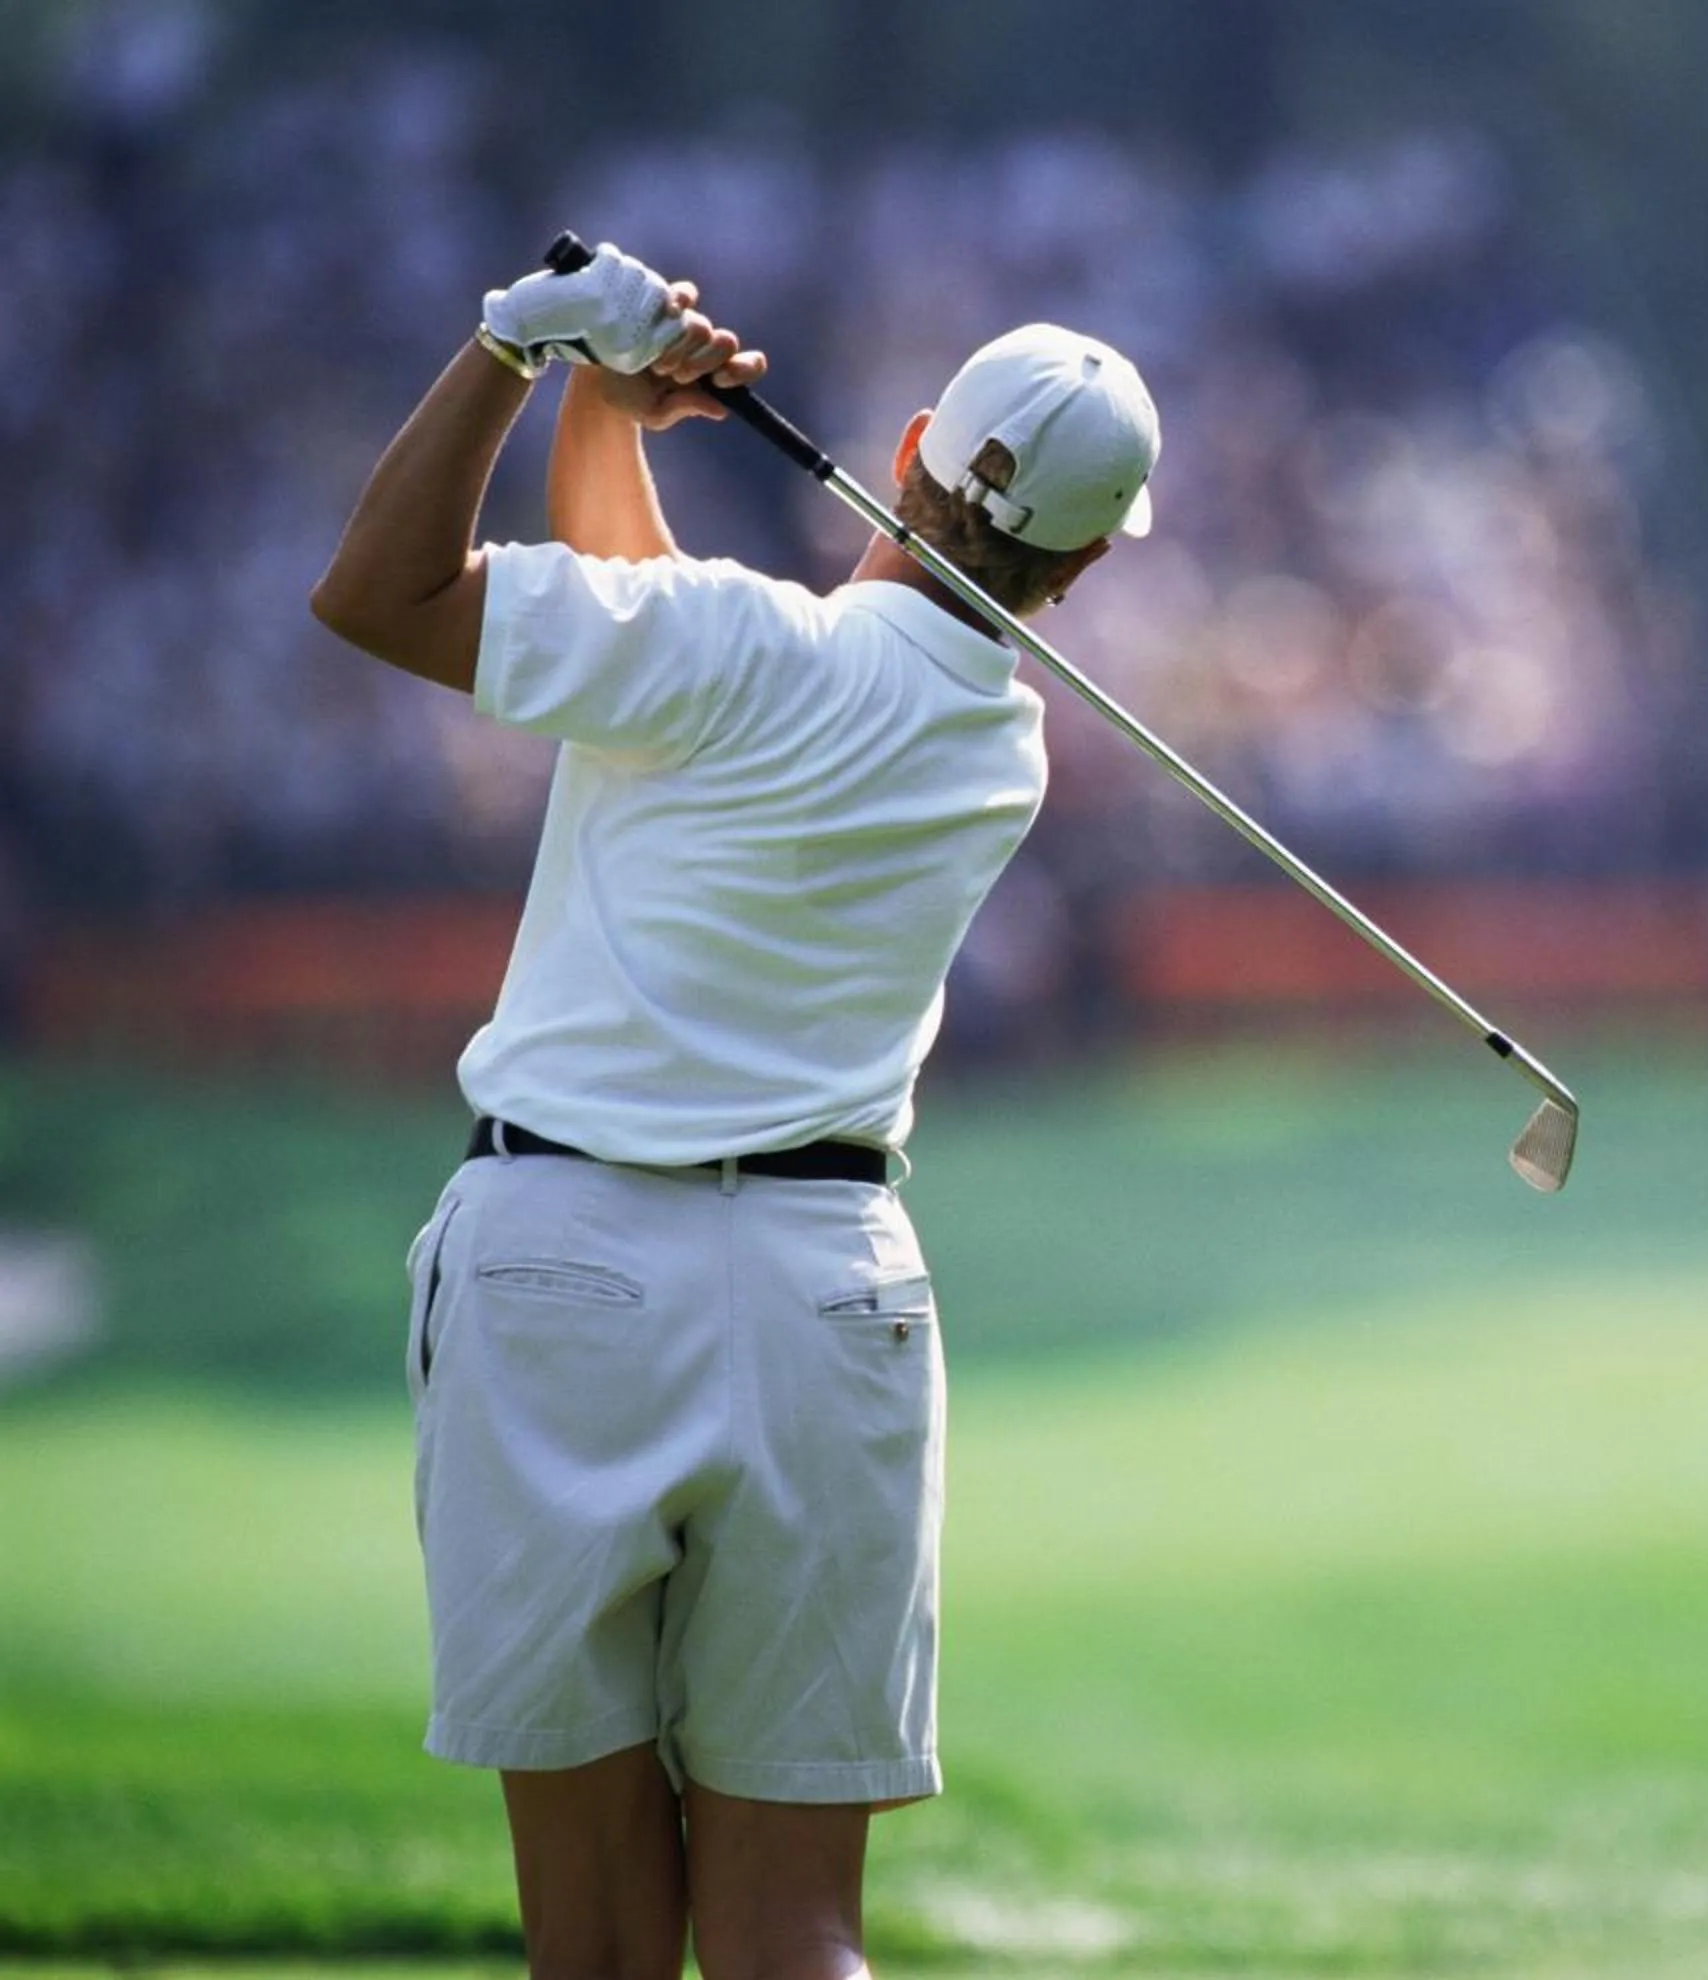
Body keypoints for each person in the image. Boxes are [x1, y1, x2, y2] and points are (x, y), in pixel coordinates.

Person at [310, 242, 1160, 1979]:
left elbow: (382, 594)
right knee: (798, 1937)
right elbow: (654, 656)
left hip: (563, 1278)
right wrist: (612, 421)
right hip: (829, 1301)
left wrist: (514, 348)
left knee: (600, 1942)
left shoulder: (719, 651)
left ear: (915, 439)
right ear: (1076, 570)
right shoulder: (1003, 745)